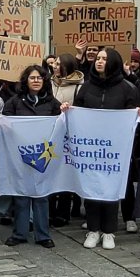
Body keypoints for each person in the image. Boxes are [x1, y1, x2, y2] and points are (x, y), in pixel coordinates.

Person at [62, 47, 139, 250]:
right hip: (91, 149)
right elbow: (78, 114)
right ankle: (93, 229)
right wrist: (68, 111)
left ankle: (109, 231)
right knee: (91, 187)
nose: (99, 61)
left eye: (104, 58)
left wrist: (139, 115)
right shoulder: (85, 88)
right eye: (98, 58)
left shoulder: (127, 88)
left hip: (114, 150)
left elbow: (132, 119)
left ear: (113, 62)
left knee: (111, 189)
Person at [2, 65, 61, 249]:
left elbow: (62, 124)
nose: (36, 81)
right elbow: (5, 123)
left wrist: (67, 111)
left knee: (42, 195)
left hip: (44, 154)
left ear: (44, 81)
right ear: (25, 81)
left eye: (39, 78)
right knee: (21, 194)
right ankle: (19, 233)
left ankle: (42, 235)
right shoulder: (15, 102)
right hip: (21, 154)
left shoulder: (52, 103)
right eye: (32, 78)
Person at [50, 53, 84, 226]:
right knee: (49, 170)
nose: (54, 66)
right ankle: (49, 211)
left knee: (64, 171)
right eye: (54, 63)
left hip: (68, 135)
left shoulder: (79, 87)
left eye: (58, 64)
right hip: (50, 133)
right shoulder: (49, 83)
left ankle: (63, 212)